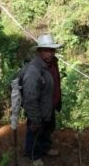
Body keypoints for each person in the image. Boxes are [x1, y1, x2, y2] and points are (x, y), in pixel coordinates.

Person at [22, 33, 62, 165]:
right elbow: (30, 98)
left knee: (47, 129)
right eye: (47, 50)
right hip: (38, 109)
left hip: (49, 105)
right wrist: (35, 118)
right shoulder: (33, 71)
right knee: (35, 132)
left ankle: (45, 148)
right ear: (39, 51)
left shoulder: (52, 63)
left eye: (52, 50)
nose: (50, 53)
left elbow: (55, 83)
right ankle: (34, 156)